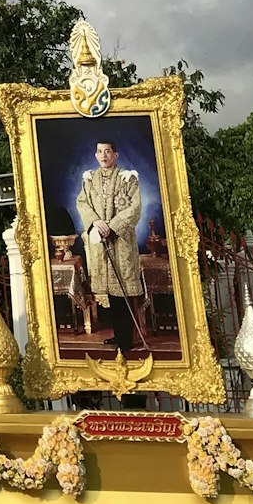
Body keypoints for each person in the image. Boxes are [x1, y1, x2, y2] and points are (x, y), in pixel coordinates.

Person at [75, 138, 144, 355]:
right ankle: (118, 333)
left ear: (116, 155)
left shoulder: (128, 178)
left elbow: (135, 206)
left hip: (120, 242)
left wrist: (112, 226)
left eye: (107, 151)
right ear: (96, 155)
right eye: (99, 152)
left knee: (122, 292)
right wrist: (96, 222)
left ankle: (127, 339)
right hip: (99, 241)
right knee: (108, 294)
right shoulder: (89, 179)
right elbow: (82, 203)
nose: (103, 155)